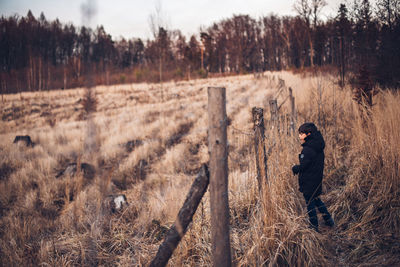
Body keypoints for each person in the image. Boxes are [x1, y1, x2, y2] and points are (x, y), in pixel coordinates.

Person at [292, 122, 334, 232]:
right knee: (316, 200)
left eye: (301, 134)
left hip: (309, 180)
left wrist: (296, 168)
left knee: (310, 203)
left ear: (308, 133)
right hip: (316, 178)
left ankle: (314, 226)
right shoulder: (317, 145)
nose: (299, 136)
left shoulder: (308, 149)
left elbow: (304, 165)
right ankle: (329, 220)